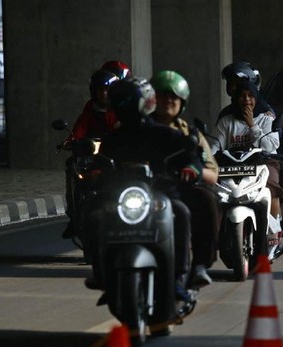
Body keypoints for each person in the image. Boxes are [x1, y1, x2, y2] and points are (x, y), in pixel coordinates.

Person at [92, 77, 203, 299]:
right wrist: (94, 174)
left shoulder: (166, 135)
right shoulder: (112, 140)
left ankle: (177, 277)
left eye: (129, 102)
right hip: (122, 199)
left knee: (181, 212)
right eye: (121, 103)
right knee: (95, 217)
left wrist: (191, 168)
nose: (126, 109)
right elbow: (99, 164)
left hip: (161, 196)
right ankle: (103, 276)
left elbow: (192, 157)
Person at [150, 70, 220, 286]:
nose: (168, 101)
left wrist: (196, 172)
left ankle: (199, 265)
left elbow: (212, 172)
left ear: (183, 102)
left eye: (174, 97)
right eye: (162, 96)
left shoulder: (190, 134)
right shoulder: (134, 128)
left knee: (207, 200)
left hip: (177, 189)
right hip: (140, 189)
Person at [216, 63, 283, 233]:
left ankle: (278, 226)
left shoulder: (266, 115)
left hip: (262, 161)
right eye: (241, 95)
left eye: (250, 96)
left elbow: (270, 144)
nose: (246, 100)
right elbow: (216, 143)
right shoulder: (227, 118)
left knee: (279, 181)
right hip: (233, 163)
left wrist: (251, 125)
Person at [59, 69, 121, 239]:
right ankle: (74, 213)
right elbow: (81, 126)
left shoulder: (120, 109)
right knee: (73, 166)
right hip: (91, 151)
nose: (103, 93)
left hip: (113, 153)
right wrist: (71, 139)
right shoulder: (90, 107)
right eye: (99, 89)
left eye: (107, 90)